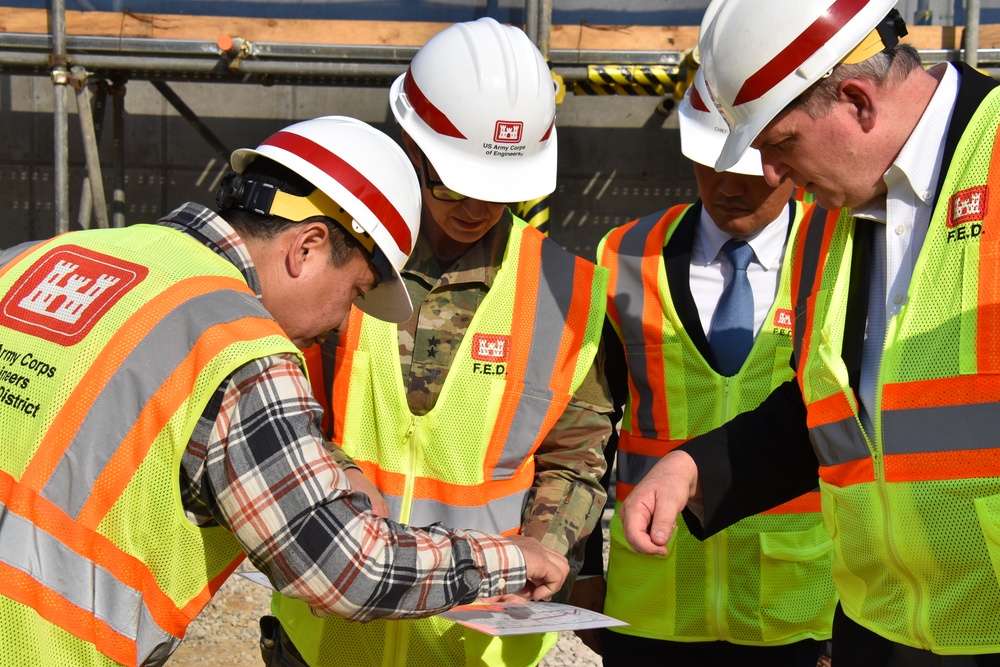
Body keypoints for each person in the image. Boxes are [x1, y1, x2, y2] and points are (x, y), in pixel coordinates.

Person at [0, 115, 570, 667]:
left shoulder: (30, 261)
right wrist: (506, 559)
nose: (339, 322)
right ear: (307, 246)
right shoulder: (238, 346)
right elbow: (347, 570)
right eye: (354, 292)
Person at [621, 1, 1000, 664]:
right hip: (878, 634)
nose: (776, 176)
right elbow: (835, 410)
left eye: (782, 145)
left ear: (856, 99)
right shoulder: (831, 216)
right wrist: (698, 466)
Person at [266, 17, 614, 667]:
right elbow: (280, 408)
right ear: (410, 144)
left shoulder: (570, 290)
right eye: (454, 183)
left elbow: (578, 455)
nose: (476, 209)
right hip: (330, 635)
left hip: (477, 644)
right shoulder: (337, 259)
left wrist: (543, 545)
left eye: (500, 191)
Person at [577, 66, 837, 666]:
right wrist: (584, 569)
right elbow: (585, 426)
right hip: (652, 605)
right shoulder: (623, 256)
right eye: (710, 162)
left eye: (749, 167)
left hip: (799, 609)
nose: (727, 185)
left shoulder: (837, 252)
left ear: (787, 154)